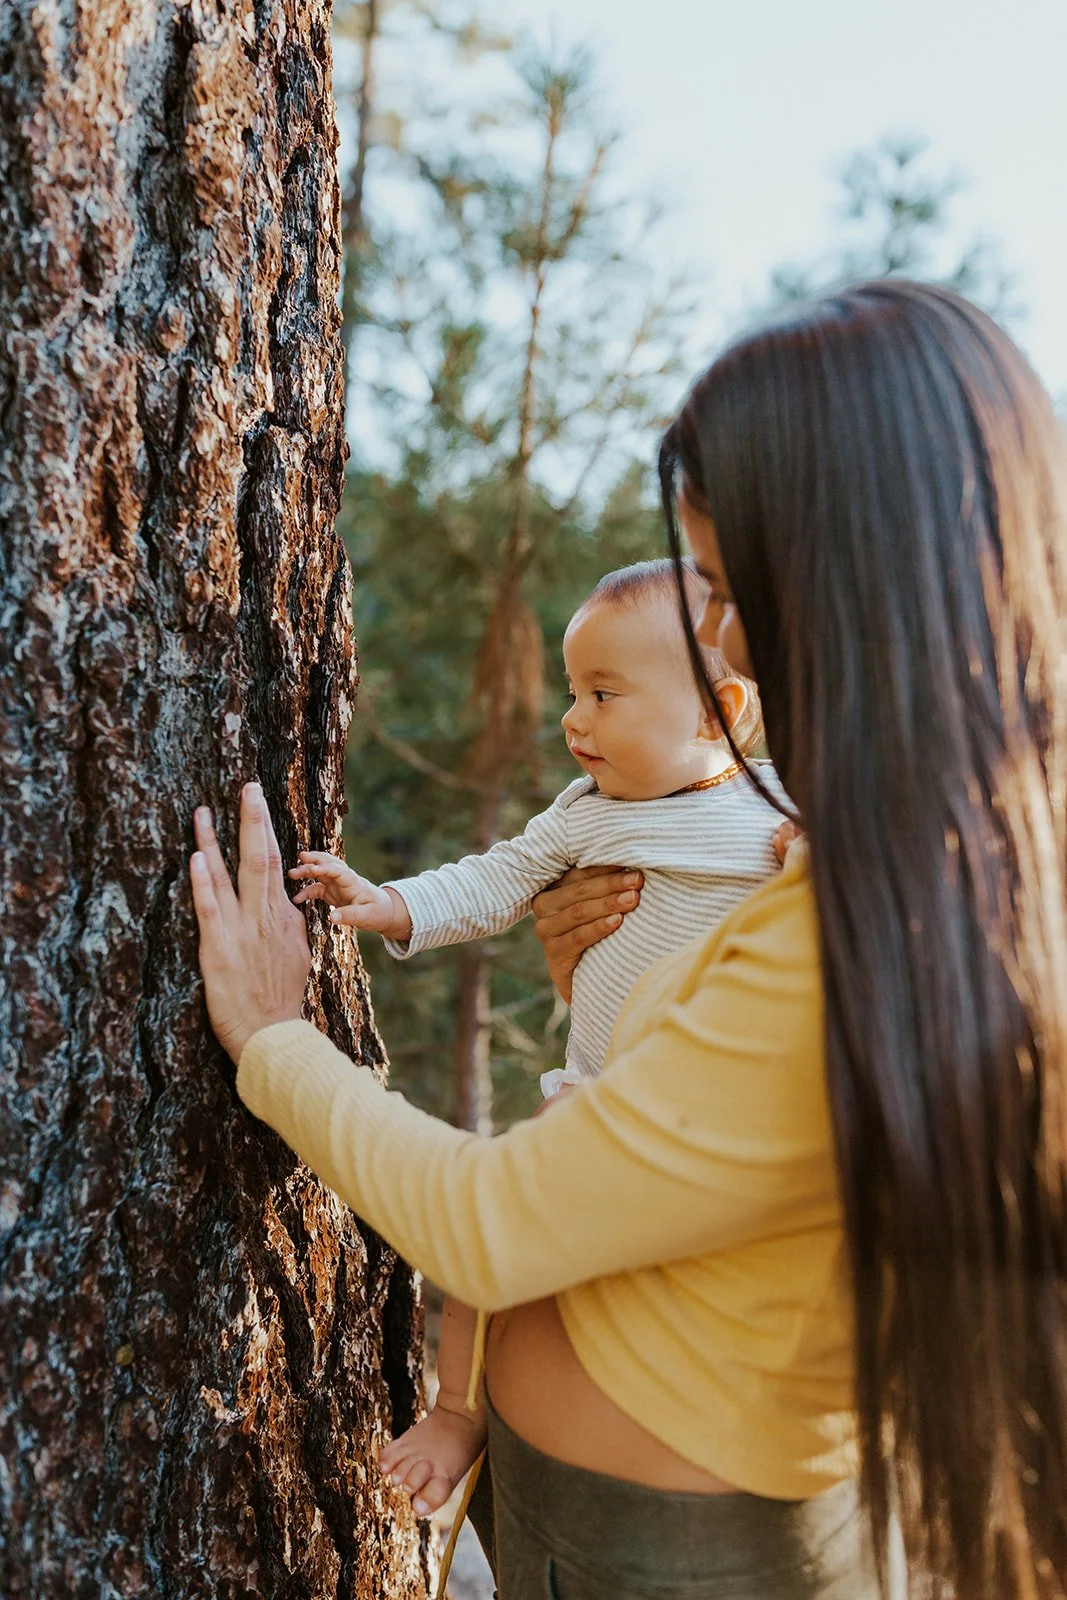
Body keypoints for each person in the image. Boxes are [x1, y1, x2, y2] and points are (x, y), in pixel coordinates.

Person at [189, 280, 1067, 1600]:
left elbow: (486, 1223)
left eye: (722, 582)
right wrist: (607, 979)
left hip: (671, 1553)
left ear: (843, 573)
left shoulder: (856, 924)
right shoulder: (917, 869)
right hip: (603, 1521)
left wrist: (272, 1038)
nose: (717, 631)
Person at [285, 557, 785, 1515]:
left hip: (710, 1111)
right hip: (593, 1087)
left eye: (603, 693)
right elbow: (496, 878)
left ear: (716, 709)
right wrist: (390, 903)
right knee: (490, 1243)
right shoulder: (580, 818)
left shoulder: (773, 817)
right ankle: (458, 1410)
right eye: (571, 692)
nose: (574, 719)